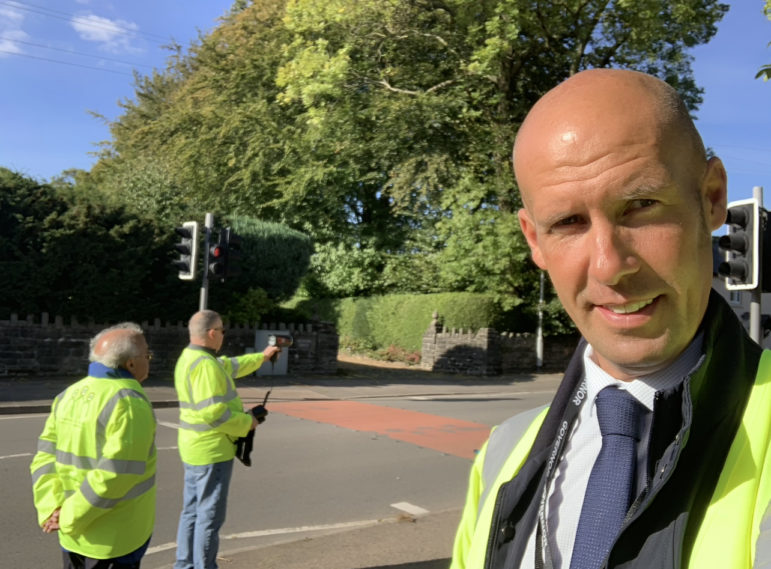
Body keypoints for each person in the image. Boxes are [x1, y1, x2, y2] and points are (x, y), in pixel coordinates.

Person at [450, 68, 771, 569]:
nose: (608, 266)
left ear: (711, 198)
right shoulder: (502, 453)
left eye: (641, 206)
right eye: (568, 223)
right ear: (534, 240)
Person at [30, 322, 157, 569]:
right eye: (147, 355)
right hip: (113, 540)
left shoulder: (68, 394)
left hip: (71, 535)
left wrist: (50, 507)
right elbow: (116, 475)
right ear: (130, 363)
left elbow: (44, 456)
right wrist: (68, 518)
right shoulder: (129, 402)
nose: (149, 361)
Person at [173, 309, 280, 569]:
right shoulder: (206, 366)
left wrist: (263, 357)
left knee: (191, 512)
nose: (223, 335)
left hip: (193, 448)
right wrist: (248, 422)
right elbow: (213, 412)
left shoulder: (193, 358)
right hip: (212, 451)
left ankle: (184, 565)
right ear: (211, 333)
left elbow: (233, 365)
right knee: (209, 517)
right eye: (222, 330)